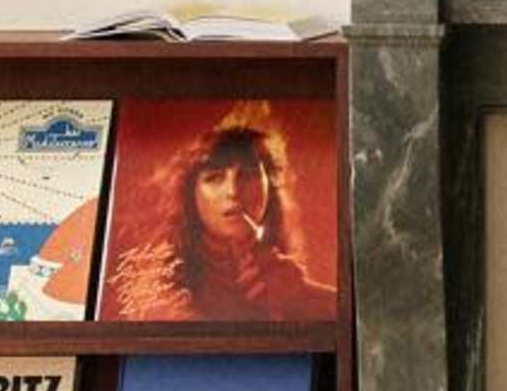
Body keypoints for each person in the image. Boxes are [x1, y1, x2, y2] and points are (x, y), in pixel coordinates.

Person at [108, 107, 339, 321]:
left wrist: (301, 297)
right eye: (215, 177)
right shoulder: (163, 291)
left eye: (247, 174)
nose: (233, 191)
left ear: (269, 184)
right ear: (189, 194)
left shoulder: (286, 280)